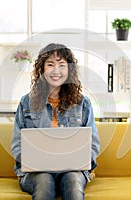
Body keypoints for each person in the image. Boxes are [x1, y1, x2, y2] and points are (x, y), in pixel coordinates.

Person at [11, 43, 100, 200]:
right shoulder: (26, 102)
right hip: (35, 173)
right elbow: (17, 145)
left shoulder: (82, 103)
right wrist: (36, 162)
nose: (56, 71)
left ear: (69, 70)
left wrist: (79, 162)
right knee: (45, 180)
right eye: (50, 64)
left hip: (73, 171)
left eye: (61, 65)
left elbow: (93, 144)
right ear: (42, 69)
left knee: (72, 180)